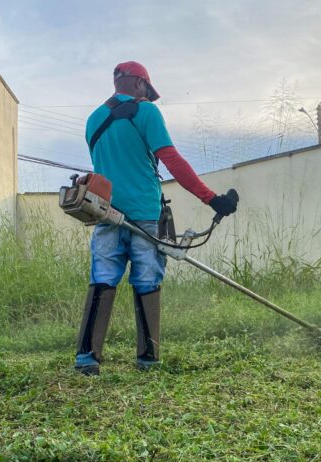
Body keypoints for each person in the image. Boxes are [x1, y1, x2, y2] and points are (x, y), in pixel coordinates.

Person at [75, 61, 238, 375]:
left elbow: (109, 166)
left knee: (102, 281)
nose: (148, 96)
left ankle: (87, 360)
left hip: (105, 213)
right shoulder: (146, 111)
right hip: (145, 217)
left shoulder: (93, 120)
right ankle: (147, 360)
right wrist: (212, 199)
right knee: (147, 281)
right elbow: (171, 159)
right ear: (140, 85)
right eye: (148, 91)